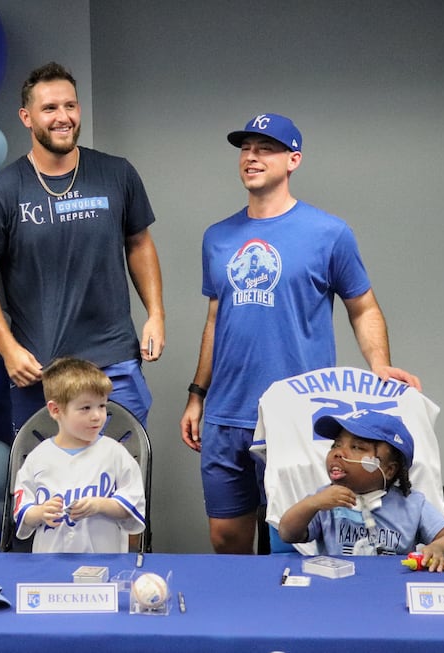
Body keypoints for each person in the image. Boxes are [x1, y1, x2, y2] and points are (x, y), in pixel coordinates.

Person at [180, 113, 423, 554]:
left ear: (293, 160)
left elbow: (363, 307)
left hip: (295, 415)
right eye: (245, 148)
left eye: (265, 148)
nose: (252, 156)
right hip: (226, 411)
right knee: (226, 538)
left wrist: (380, 365)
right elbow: (215, 319)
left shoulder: (329, 233)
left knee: (289, 541)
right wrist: (198, 394)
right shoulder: (217, 237)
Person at [0, 61, 165, 431]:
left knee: (123, 466)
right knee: (47, 469)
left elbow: (140, 243)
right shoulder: (2, 192)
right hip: (42, 371)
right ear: (27, 117)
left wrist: (156, 314)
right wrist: (8, 348)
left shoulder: (117, 173)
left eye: (70, 106)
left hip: (114, 364)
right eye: (49, 108)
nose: (63, 117)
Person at [278, 410, 444, 571]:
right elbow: (287, 534)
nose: (338, 453)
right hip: (338, 586)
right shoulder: (324, 500)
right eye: (336, 445)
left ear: (389, 470)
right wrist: (312, 504)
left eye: (357, 447)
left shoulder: (412, 504)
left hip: (392, 585)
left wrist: (437, 548)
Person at [12, 357, 145, 553]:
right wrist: (40, 512)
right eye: (85, 408)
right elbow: (22, 512)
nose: (97, 416)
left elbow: (133, 506)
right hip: (50, 561)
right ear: (55, 410)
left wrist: (100, 505)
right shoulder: (37, 457)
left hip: (104, 561)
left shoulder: (116, 453)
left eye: (102, 405)